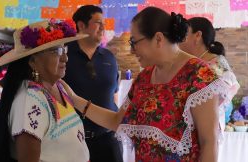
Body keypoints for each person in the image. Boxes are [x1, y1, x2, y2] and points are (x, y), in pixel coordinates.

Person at [59, 7, 230, 162]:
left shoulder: (198, 75)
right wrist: (74, 99)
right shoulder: (145, 77)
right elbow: (117, 120)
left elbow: (209, 142)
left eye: (134, 42)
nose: (132, 51)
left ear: (158, 39)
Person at [0, 19, 90, 162]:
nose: (65, 57)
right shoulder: (29, 100)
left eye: (65, 49)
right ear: (32, 60)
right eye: (57, 51)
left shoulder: (59, 87)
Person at [62, 5, 123, 162]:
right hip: (72, 141)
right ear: (81, 26)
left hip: (108, 140)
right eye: (98, 22)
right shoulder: (63, 55)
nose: (103, 27)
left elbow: (114, 95)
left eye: (104, 22)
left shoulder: (109, 57)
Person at [178, 17, 240, 129]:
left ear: (197, 35)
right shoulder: (190, 62)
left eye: (184, 34)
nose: (179, 40)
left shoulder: (216, 63)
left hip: (208, 127)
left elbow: (228, 90)